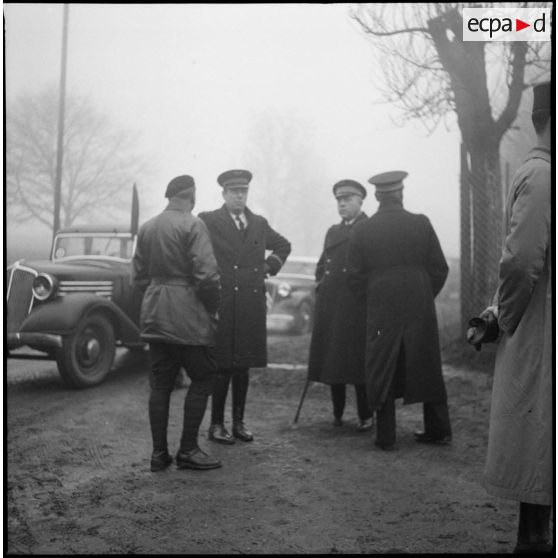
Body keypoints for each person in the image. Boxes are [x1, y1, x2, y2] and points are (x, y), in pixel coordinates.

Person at [481, 81, 552, 554]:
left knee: (537, 434)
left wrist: (500, 316)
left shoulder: (540, 175)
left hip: (541, 326)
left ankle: (534, 541)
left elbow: (521, 261)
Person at [347, 170, 451, 450]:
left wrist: (371, 301)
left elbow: (353, 276)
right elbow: (440, 268)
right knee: (426, 361)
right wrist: (425, 295)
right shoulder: (421, 223)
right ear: (401, 193)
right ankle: (439, 429)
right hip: (419, 302)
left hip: (381, 305)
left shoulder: (362, 230)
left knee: (383, 363)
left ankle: (386, 435)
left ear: (378, 197)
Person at [132, 175, 222, 472]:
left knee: (160, 385)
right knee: (204, 377)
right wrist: (213, 308)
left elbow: (138, 279)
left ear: (169, 196)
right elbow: (207, 276)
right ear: (191, 196)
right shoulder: (193, 224)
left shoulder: (147, 228)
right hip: (187, 318)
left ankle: (159, 455)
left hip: (155, 316)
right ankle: (188, 449)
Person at [199, 169, 291, 444]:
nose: (240, 196)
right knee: (222, 365)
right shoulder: (209, 221)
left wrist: (267, 266)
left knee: (243, 366)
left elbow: (283, 245)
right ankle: (216, 425)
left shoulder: (259, 223)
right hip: (224, 301)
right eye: (234, 192)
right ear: (224, 194)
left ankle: (238, 422)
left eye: (244, 191)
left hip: (250, 303)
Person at [307, 179, 373, 431]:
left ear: (360, 201)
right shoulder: (333, 231)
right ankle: (337, 414)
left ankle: (366, 415)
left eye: (347, 199)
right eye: (339, 200)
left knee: (358, 362)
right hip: (333, 306)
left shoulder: (369, 228)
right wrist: (320, 282)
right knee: (334, 359)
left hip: (357, 307)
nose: (342, 204)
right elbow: (323, 265)